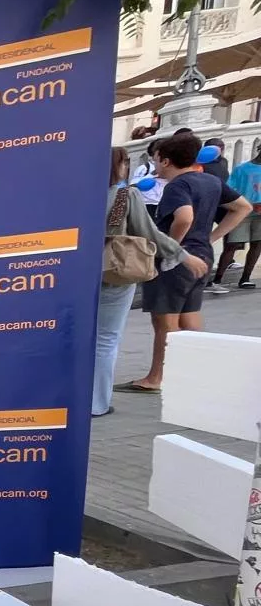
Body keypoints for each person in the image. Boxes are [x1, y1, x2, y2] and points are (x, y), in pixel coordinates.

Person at [120, 132, 249, 394]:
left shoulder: (178, 186)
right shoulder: (211, 181)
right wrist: (211, 237)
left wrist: (172, 249)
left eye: (156, 160)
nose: (155, 166)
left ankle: (157, 377)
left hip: (177, 261)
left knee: (165, 321)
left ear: (165, 160)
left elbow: (184, 217)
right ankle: (194, 371)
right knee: (189, 316)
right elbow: (242, 207)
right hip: (202, 254)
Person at [97, 147, 203, 417]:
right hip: (114, 273)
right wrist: (183, 256)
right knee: (106, 339)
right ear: (118, 166)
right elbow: (149, 233)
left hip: (78, 277)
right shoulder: (125, 194)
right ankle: (96, 403)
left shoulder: (76, 195)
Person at [217, 147, 261, 290]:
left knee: (257, 244)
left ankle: (245, 278)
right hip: (243, 211)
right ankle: (217, 279)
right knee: (233, 244)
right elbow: (230, 189)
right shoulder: (242, 169)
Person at [131, 139, 166, 218]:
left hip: (161, 204)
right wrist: (151, 175)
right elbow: (132, 185)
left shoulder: (168, 168)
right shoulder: (145, 168)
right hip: (146, 204)